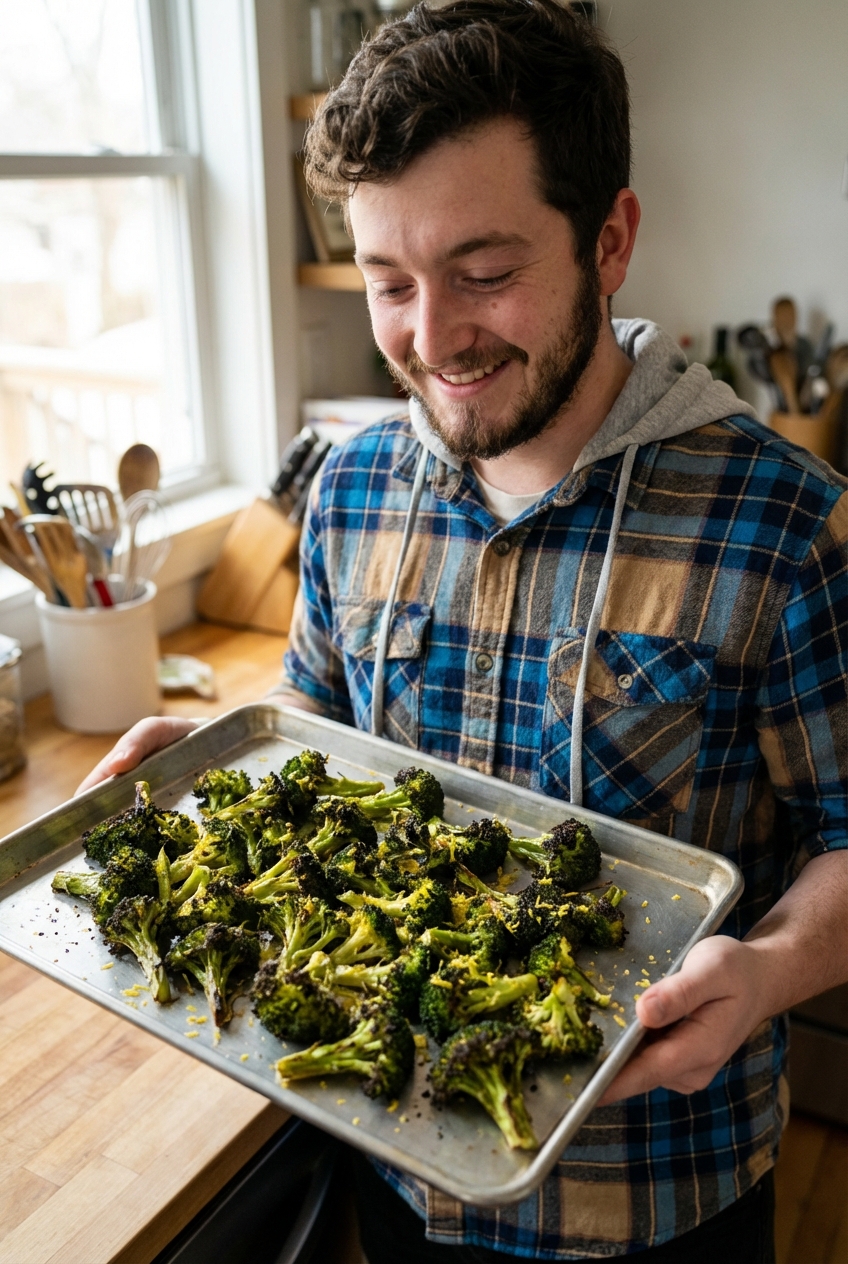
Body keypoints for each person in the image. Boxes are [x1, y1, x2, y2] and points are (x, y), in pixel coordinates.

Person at [80, 2, 847, 1259]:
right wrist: (220, 768)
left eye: (484, 274)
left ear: (609, 240)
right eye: (389, 283)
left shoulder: (785, 526)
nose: (431, 341)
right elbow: (325, 743)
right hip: (386, 1173)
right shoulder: (349, 487)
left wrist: (763, 971)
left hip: (649, 1204)